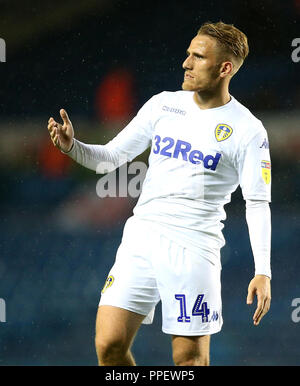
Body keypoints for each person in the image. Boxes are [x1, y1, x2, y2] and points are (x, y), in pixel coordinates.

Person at [47, 21, 272, 366]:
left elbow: (258, 202)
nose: (186, 63)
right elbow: (111, 157)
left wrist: (263, 271)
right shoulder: (163, 105)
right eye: (188, 54)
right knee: (108, 345)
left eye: (198, 57)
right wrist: (72, 147)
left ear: (225, 68)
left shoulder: (247, 129)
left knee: (189, 360)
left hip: (193, 246)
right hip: (142, 236)